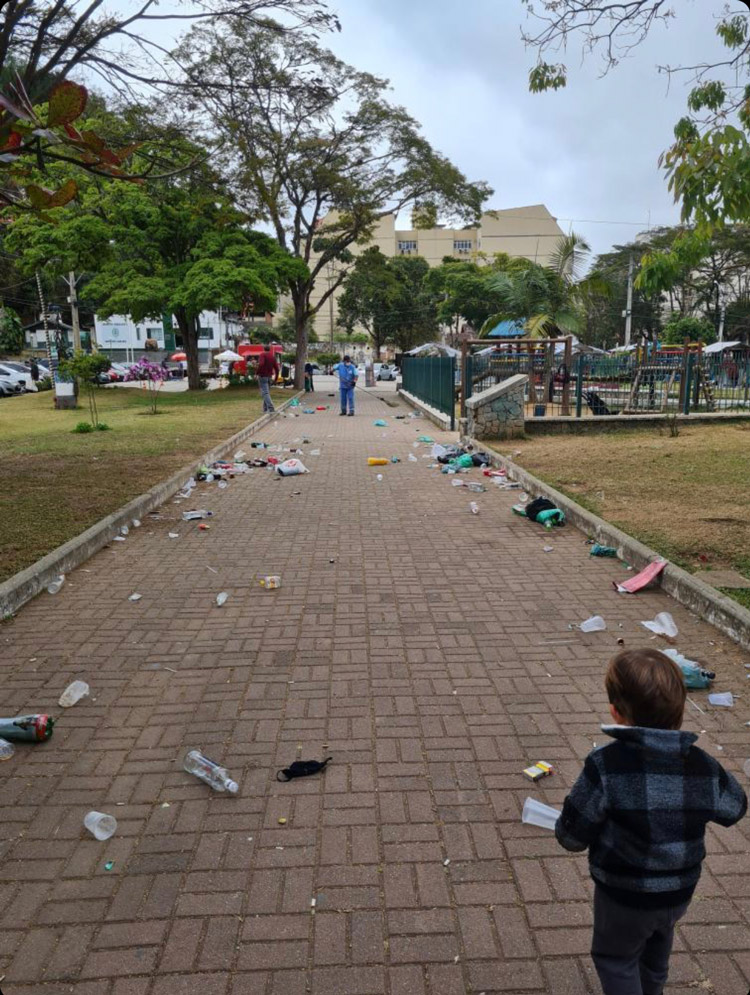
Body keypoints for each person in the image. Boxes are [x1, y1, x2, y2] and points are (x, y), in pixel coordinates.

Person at [556, 648, 746, 995]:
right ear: (680, 710)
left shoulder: (605, 766)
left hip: (623, 894)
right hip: (678, 891)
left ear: (615, 711)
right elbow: (735, 808)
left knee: (615, 959)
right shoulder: (702, 766)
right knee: (656, 952)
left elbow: (571, 836)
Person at [256, 343, 279, 412]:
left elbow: (261, 364)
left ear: (263, 349)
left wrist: (257, 373)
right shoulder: (272, 357)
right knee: (266, 392)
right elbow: (277, 369)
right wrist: (276, 378)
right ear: (270, 349)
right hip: (269, 376)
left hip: (262, 376)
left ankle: (271, 407)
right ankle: (265, 408)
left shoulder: (262, 355)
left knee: (265, 393)